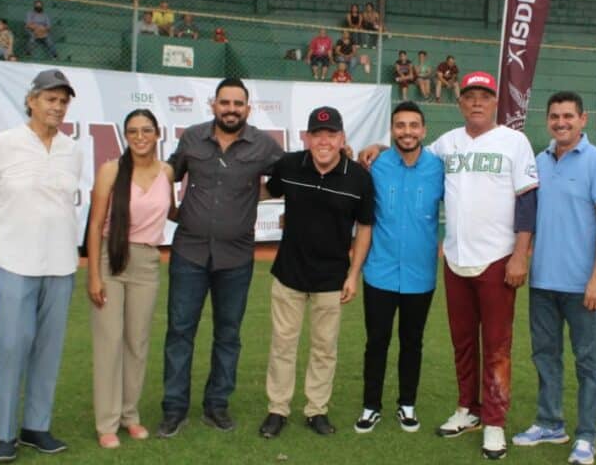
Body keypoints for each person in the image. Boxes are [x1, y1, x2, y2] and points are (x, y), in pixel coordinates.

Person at [361, 71, 538, 460]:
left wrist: (521, 253)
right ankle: (467, 410)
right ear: (460, 103)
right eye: (470, 96)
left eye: (484, 96)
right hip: (456, 260)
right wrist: (378, 145)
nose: (477, 102)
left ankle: (493, 422)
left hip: (498, 258)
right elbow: (410, 150)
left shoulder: (515, 142)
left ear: (496, 102)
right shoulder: (446, 144)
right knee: (462, 343)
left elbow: (527, 200)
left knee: (496, 345)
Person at [158, 78, 284, 438]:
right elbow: (168, 171)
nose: (231, 109)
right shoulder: (192, 137)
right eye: (225, 102)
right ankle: (174, 409)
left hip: (236, 256)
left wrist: (257, 195)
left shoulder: (262, 144)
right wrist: (169, 208)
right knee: (180, 332)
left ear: (248, 108)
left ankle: (217, 406)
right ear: (214, 105)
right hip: (189, 252)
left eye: (238, 103)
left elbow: (291, 173)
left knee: (228, 335)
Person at [0, 69, 81, 464]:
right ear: (31, 101)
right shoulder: (3, 144)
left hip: (60, 264)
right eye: (50, 99)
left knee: (48, 349)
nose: (57, 106)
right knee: (11, 345)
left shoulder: (73, 149)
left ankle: (36, 426)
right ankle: (5, 434)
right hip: (13, 262)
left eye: (63, 100)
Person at [512, 92, 596, 465]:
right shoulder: (538, 162)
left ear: (583, 119)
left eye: (568, 116)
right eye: (555, 116)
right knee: (545, 357)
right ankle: (549, 423)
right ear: (548, 120)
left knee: (588, 361)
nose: (562, 122)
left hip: (582, 286)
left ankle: (587, 435)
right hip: (543, 283)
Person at [259, 106, 374, 439]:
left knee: (324, 348)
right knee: (283, 345)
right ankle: (277, 409)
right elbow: (268, 191)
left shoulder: (359, 177)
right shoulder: (290, 165)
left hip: (331, 277)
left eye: (331, 134)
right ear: (307, 138)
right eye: (317, 134)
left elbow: (365, 227)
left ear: (342, 138)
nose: (324, 141)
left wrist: (354, 274)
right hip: (289, 273)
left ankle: (316, 410)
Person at [352, 101, 444, 435]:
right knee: (376, 340)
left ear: (424, 130)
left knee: (412, 341)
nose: (407, 131)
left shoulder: (439, 167)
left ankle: (407, 405)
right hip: (380, 271)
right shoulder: (374, 164)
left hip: (420, 275)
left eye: (413, 125)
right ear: (391, 130)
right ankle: (370, 406)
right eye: (400, 125)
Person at [86, 109, 175, 449]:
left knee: (136, 342)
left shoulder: (166, 172)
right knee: (109, 341)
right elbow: (95, 226)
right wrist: (93, 275)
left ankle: (130, 416)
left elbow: (174, 212)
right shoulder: (111, 171)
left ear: (157, 134)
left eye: (146, 130)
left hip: (148, 262)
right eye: (133, 131)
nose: (140, 136)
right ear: (126, 135)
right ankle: (106, 423)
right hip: (112, 257)